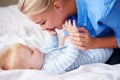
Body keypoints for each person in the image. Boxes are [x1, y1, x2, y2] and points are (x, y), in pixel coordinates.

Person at [18, 0, 120, 63]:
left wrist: (94, 43)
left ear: (58, 6)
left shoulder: (104, 8)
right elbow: (67, 40)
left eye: (43, 22)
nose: (43, 28)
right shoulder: (67, 14)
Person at [0, 20, 112, 74]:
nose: (35, 48)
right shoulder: (49, 69)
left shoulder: (40, 57)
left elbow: (50, 46)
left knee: (74, 35)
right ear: (32, 69)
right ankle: (110, 40)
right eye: (31, 52)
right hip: (96, 54)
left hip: (82, 48)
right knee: (103, 42)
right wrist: (73, 38)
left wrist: (52, 36)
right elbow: (69, 57)